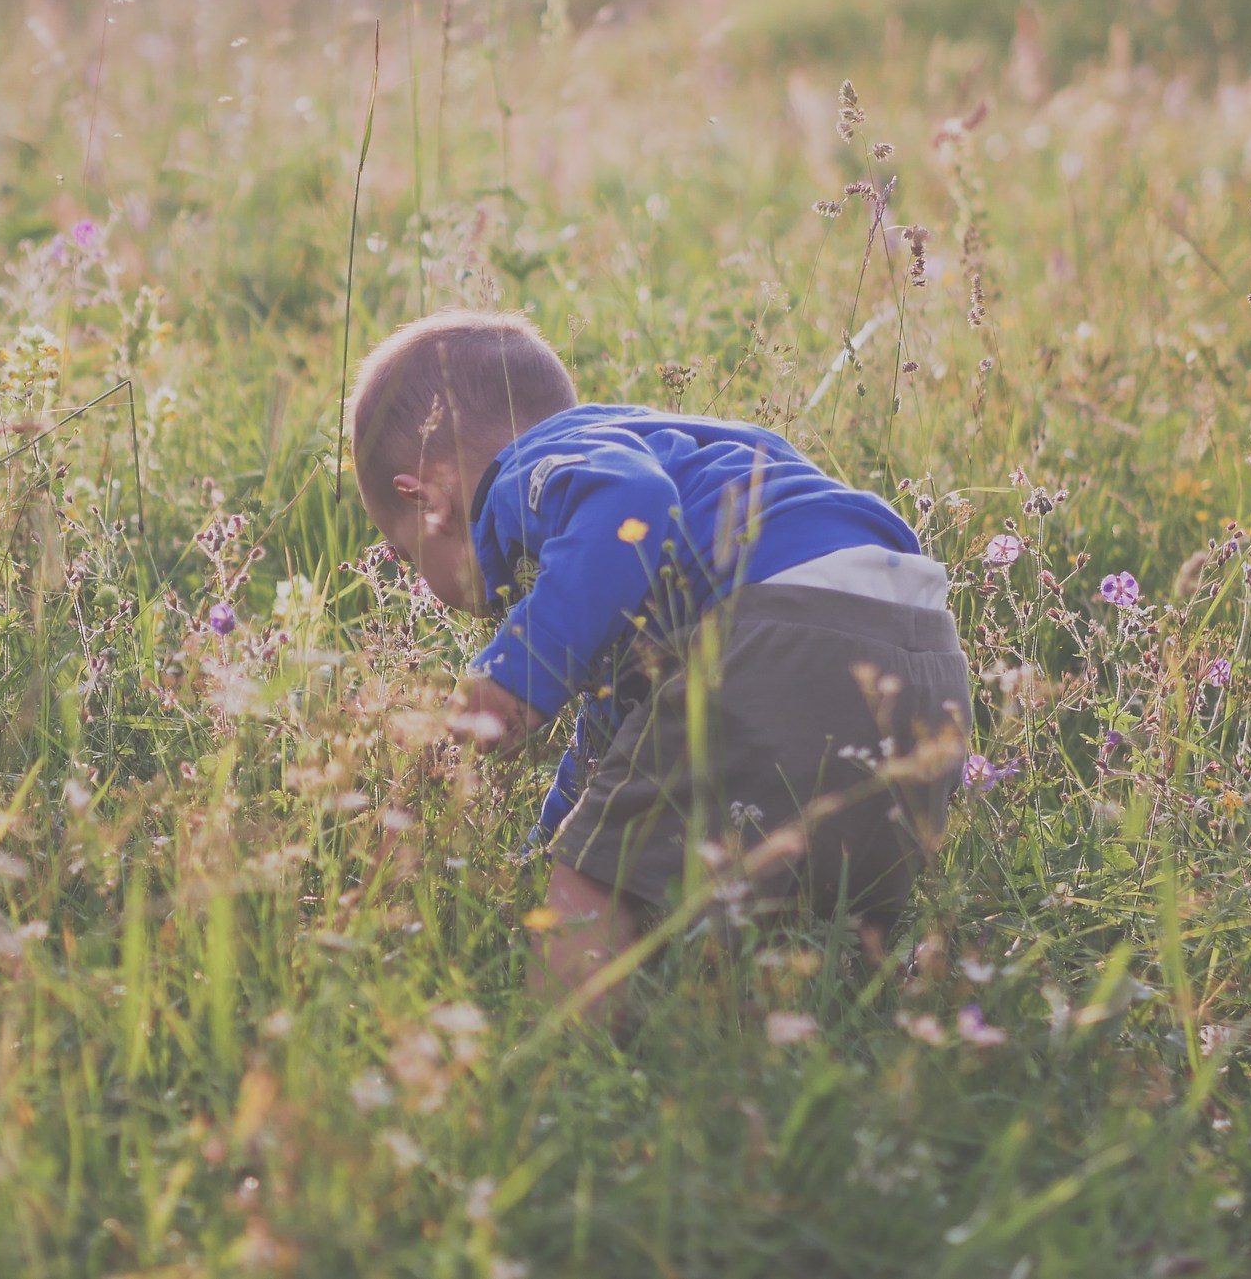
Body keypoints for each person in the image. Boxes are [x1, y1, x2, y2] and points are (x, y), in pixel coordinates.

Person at [347, 308, 972, 1019]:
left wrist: (512, 679)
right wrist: (541, 844)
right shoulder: (662, 448)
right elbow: (617, 749)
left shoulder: (529, 474)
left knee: (590, 885)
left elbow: (630, 503)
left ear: (427, 500)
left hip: (781, 634)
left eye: (405, 556)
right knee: (824, 916)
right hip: (927, 667)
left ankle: (562, 1067)